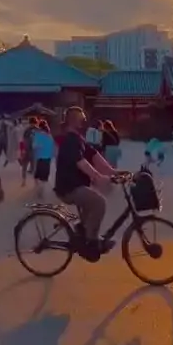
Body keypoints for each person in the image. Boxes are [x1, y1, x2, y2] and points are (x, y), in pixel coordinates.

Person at [54, 106, 118, 252]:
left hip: (77, 185)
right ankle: (92, 242)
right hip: (69, 188)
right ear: (74, 121)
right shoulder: (70, 140)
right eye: (81, 119)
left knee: (91, 201)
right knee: (99, 202)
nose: (84, 122)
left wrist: (113, 172)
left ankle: (82, 230)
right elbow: (80, 162)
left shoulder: (79, 139)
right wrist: (98, 177)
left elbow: (94, 156)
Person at [32, 119, 55, 198]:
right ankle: (41, 190)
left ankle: (38, 189)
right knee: (44, 176)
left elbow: (34, 146)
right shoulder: (50, 136)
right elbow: (53, 147)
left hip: (40, 158)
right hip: (48, 158)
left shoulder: (38, 135)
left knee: (37, 176)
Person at [20, 116, 39, 186]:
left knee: (34, 167)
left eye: (33, 123)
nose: (33, 125)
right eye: (32, 123)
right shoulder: (27, 130)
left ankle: (35, 181)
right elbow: (24, 140)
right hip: (28, 151)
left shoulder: (37, 130)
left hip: (33, 151)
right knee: (25, 167)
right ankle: (24, 181)